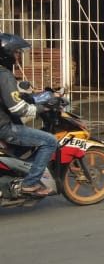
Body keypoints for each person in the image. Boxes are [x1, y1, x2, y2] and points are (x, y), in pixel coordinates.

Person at [0, 33, 59, 197]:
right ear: (7, 53)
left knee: (26, 144)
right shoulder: (4, 75)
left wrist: (32, 97)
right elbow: (18, 109)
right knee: (49, 141)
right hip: (5, 127)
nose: (18, 56)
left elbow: (11, 97)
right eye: (16, 52)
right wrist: (43, 108)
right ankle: (29, 183)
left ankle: (16, 177)